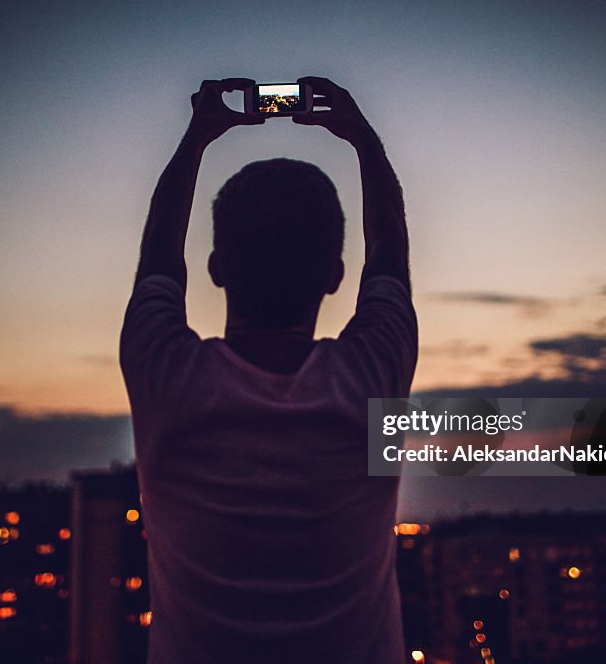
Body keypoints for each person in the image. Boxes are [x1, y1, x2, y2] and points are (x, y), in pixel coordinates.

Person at [120, 76, 417, 663]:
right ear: (335, 276)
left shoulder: (166, 377)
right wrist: (364, 142)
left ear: (216, 267)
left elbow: (157, 254)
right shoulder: (372, 375)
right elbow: (390, 255)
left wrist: (197, 138)